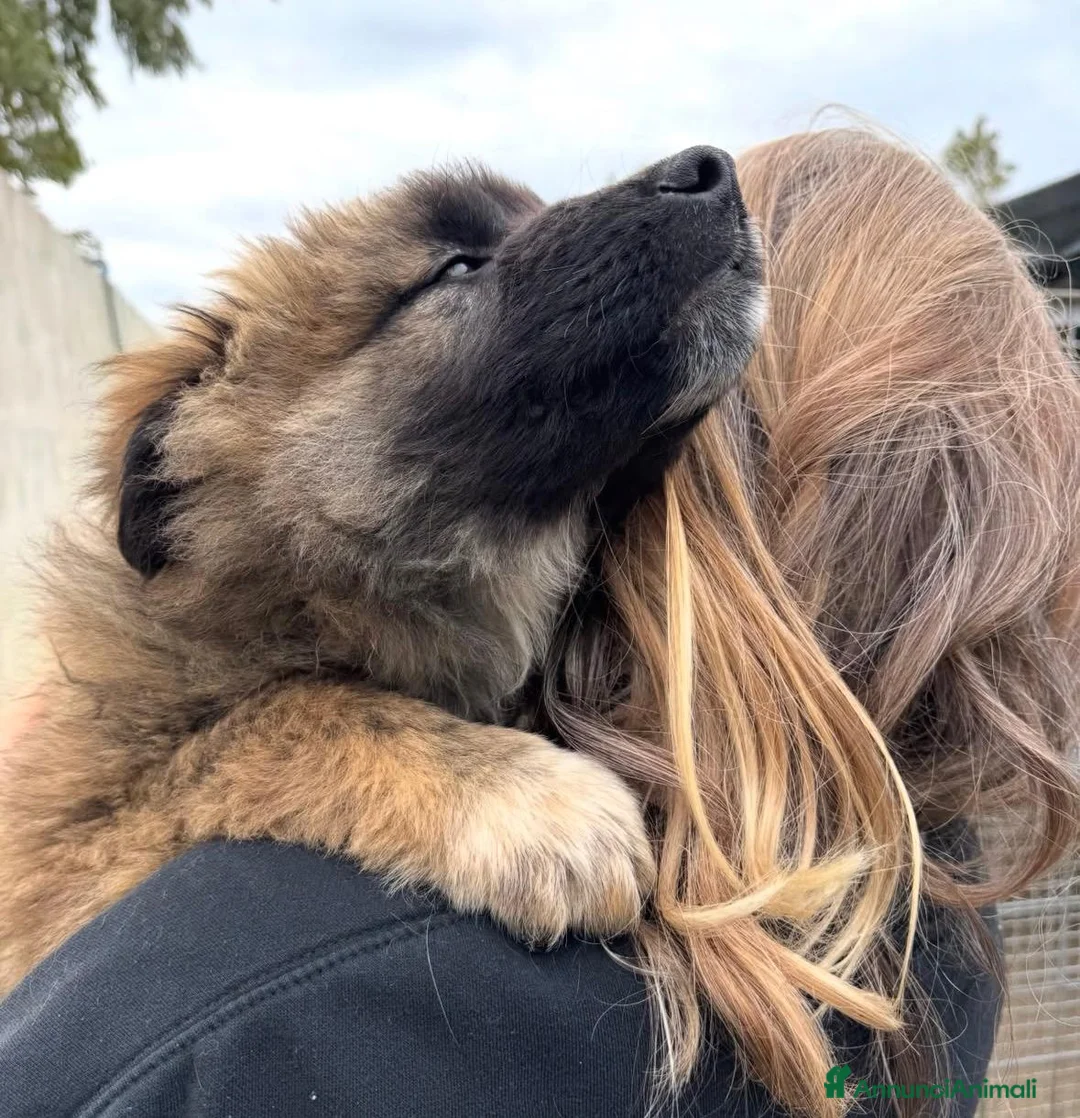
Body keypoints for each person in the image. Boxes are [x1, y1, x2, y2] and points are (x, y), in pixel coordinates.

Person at [0, 129, 1075, 1118]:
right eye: (459, 272)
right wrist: (348, 757)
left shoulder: (271, 1008)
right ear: (178, 461)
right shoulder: (942, 943)